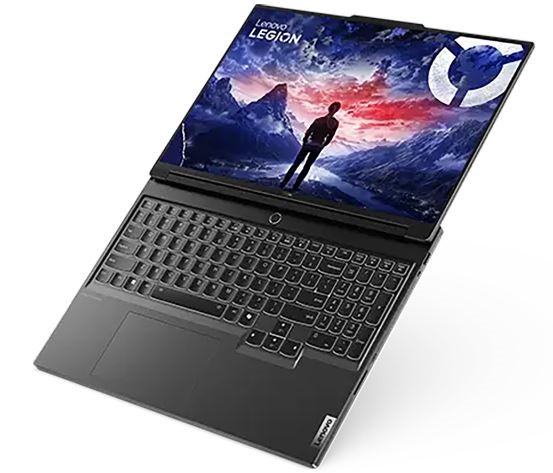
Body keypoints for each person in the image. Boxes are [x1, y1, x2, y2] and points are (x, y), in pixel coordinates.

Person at [280, 102, 341, 191]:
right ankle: (294, 187)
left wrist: (305, 141)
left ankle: (283, 184)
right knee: (306, 166)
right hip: (317, 147)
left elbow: (309, 132)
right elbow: (330, 137)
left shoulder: (319, 120)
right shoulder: (334, 123)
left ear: (329, 108)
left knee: (296, 164)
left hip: (309, 144)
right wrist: (322, 146)